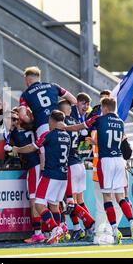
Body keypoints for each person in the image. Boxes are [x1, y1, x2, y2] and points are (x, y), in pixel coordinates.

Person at [78, 97, 133, 244]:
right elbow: (117, 144)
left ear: (104, 108)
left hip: (104, 164)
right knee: (120, 198)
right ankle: (132, 223)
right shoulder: (120, 122)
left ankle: (112, 231)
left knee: (105, 201)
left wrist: (67, 128)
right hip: (119, 162)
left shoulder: (99, 122)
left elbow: (85, 129)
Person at [12, 110, 72, 245]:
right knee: (54, 205)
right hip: (63, 176)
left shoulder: (49, 135)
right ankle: (59, 230)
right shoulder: (67, 136)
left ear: (51, 120)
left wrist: (18, 149)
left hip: (50, 174)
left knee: (39, 204)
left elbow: (32, 148)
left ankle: (54, 228)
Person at [58, 99, 96, 241]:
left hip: (70, 165)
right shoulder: (75, 122)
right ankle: (83, 228)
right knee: (79, 200)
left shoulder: (62, 124)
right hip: (79, 163)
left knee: (70, 201)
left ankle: (84, 226)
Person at [9, 108, 44, 244]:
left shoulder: (17, 133)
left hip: (34, 166)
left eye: (16, 119)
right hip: (39, 165)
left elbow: (15, 147)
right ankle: (47, 230)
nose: (14, 122)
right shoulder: (34, 128)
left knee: (34, 200)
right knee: (42, 199)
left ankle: (38, 233)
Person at [18, 66, 77, 139]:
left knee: (45, 149)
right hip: (59, 123)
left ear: (28, 80)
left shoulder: (25, 95)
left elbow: (22, 116)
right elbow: (74, 100)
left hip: (42, 125)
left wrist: (32, 120)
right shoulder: (53, 86)